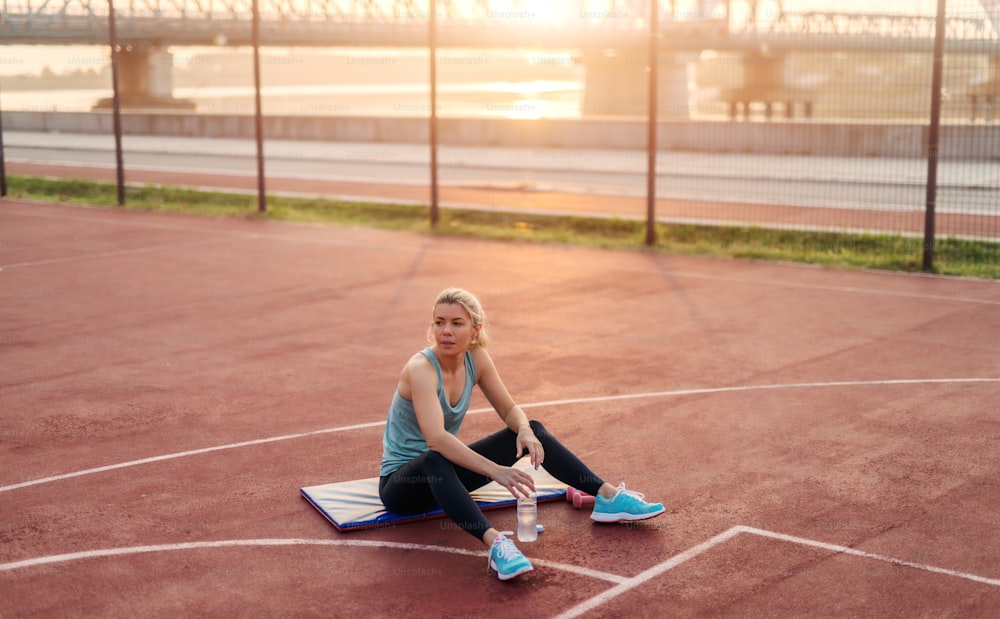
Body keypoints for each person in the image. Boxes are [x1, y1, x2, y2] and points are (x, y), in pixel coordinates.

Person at [379, 287, 664, 581]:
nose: (445, 331)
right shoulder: (421, 369)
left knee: (534, 428)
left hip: (446, 478)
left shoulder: (476, 358)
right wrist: (496, 471)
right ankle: (497, 545)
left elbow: (509, 409)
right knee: (434, 458)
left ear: (475, 329)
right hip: (402, 486)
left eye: (456, 323)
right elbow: (436, 439)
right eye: (439, 322)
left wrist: (526, 431)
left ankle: (607, 497)